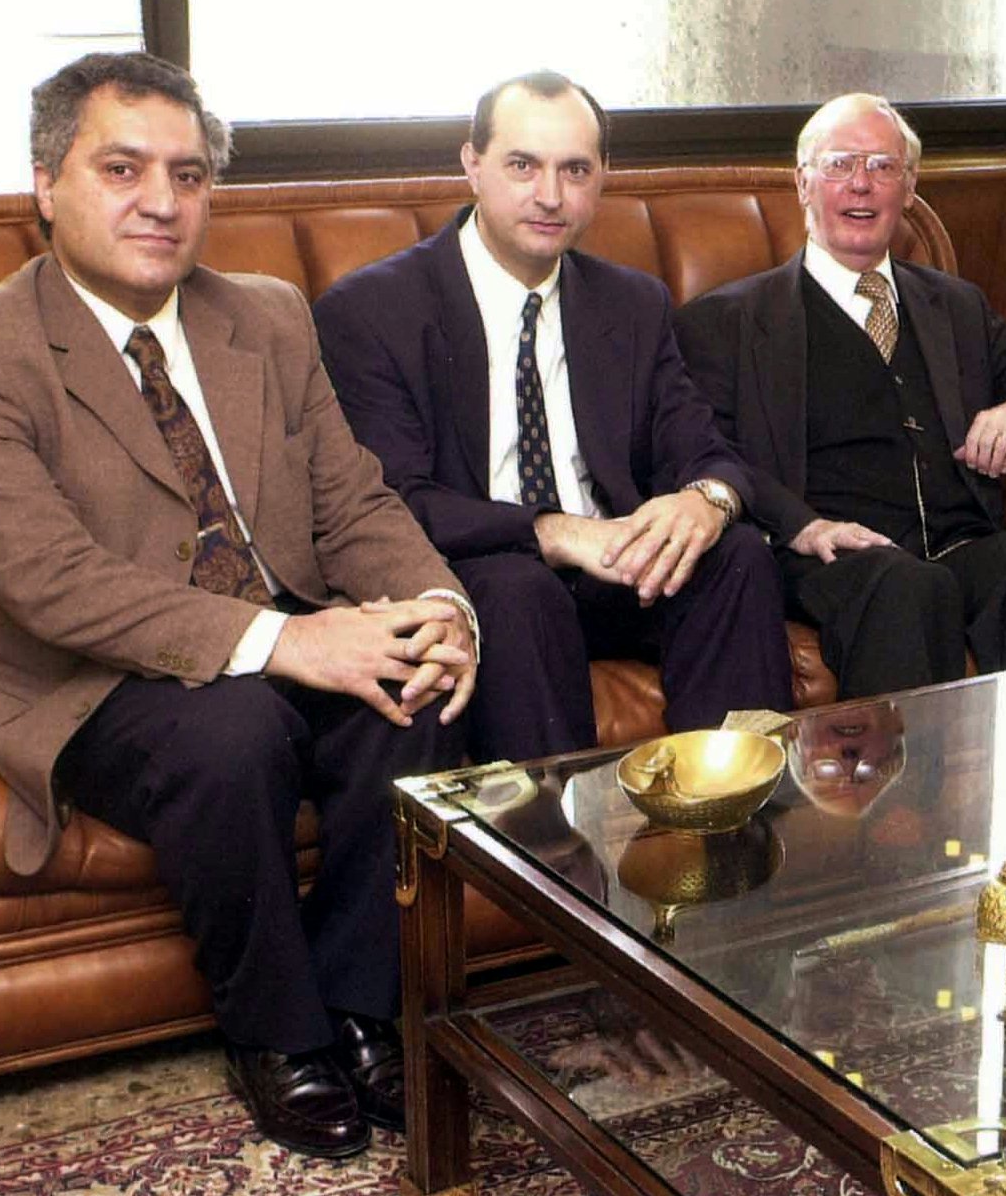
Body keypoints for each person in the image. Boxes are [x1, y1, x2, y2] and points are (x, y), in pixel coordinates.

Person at [0, 52, 479, 1158]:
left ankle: (358, 1005)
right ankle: (275, 1033)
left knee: (415, 680)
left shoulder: (270, 316)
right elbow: (49, 577)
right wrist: (289, 640)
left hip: (273, 626)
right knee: (232, 726)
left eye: (189, 176)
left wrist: (438, 604)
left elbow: (351, 502)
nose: (161, 201)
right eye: (123, 167)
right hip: (90, 673)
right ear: (45, 181)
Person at [314, 71, 791, 753]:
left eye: (574, 170)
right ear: (471, 165)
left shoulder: (631, 304)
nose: (549, 195)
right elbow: (393, 502)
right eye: (521, 165)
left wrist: (705, 501)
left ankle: (739, 820)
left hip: (617, 569)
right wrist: (556, 533)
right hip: (482, 571)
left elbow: (702, 445)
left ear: (601, 178)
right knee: (518, 589)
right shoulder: (374, 311)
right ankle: (553, 852)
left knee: (735, 555)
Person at [676, 93, 1006, 698]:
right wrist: (802, 526)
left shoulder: (954, 306)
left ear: (909, 188)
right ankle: (905, 795)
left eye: (882, 167)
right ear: (803, 184)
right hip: (831, 554)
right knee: (907, 586)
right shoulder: (729, 320)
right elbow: (705, 451)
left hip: (958, 543)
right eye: (841, 165)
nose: (862, 186)